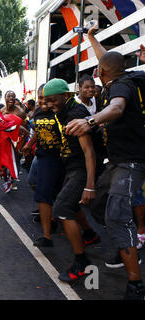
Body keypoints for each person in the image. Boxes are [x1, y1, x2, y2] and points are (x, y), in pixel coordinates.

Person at [66, 51, 145, 299]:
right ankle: (125, 244)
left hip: (131, 162)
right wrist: (90, 38)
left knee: (117, 216)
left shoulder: (120, 86)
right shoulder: (123, 77)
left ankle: (136, 284)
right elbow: (107, 59)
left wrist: (91, 121)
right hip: (117, 162)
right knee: (99, 202)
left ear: (100, 72)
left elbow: (117, 107)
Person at [43, 78, 98, 282]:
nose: (49, 105)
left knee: (62, 209)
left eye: (52, 100)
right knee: (71, 205)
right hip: (71, 166)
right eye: (46, 101)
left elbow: (89, 152)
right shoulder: (64, 111)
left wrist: (90, 186)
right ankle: (90, 234)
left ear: (65, 96)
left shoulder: (75, 113)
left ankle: (82, 263)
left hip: (82, 168)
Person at [21, 84, 63, 247]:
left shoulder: (59, 113)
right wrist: (28, 144)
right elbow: (38, 130)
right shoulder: (38, 113)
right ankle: (48, 228)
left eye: (47, 101)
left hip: (58, 158)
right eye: (40, 100)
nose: (44, 104)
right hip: (42, 155)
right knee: (33, 183)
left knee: (53, 195)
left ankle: (49, 233)